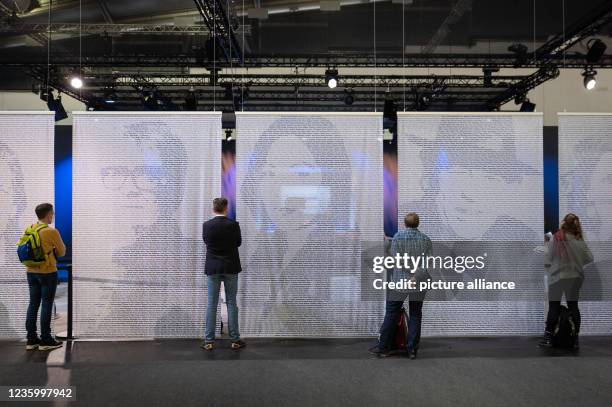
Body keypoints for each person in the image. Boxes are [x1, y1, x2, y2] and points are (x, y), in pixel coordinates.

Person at [373, 212, 432, 359]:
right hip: (419, 283)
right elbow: (428, 262)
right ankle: (411, 350)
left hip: (399, 282)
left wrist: (389, 242)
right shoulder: (426, 239)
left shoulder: (398, 237)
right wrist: (416, 276)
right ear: (418, 224)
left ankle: (383, 348)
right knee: (415, 315)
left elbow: (396, 259)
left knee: (391, 313)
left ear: (405, 224)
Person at [540, 213, 593, 348]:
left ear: (563, 222)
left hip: (557, 277)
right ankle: (575, 339)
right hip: (575, 278)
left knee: (554, 306)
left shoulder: (556, 238)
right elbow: (590, 258)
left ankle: (548, 338)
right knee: (573, 306)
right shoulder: (579, 239)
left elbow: (548, 259)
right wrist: (577, 261)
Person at [202, 197, 245, 350]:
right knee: (231, 303)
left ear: (213, 208)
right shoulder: (233, 225)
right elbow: (238, 243)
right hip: (231, 267)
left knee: (211, 304)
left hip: (213, 268)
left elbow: (207, 242)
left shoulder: (207, 225)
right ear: (226, 208)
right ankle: (235, 339)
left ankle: (208, 341)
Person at [24, 203, 66, 351]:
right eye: (52, 213)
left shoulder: (30, 229)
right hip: (47, 272)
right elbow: (62, 252)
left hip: (31, 271)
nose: (52, 215)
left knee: (33, 304)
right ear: (48, 214)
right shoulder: (51, 231)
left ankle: (31, 339)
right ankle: (46, 340)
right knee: (46, 305)